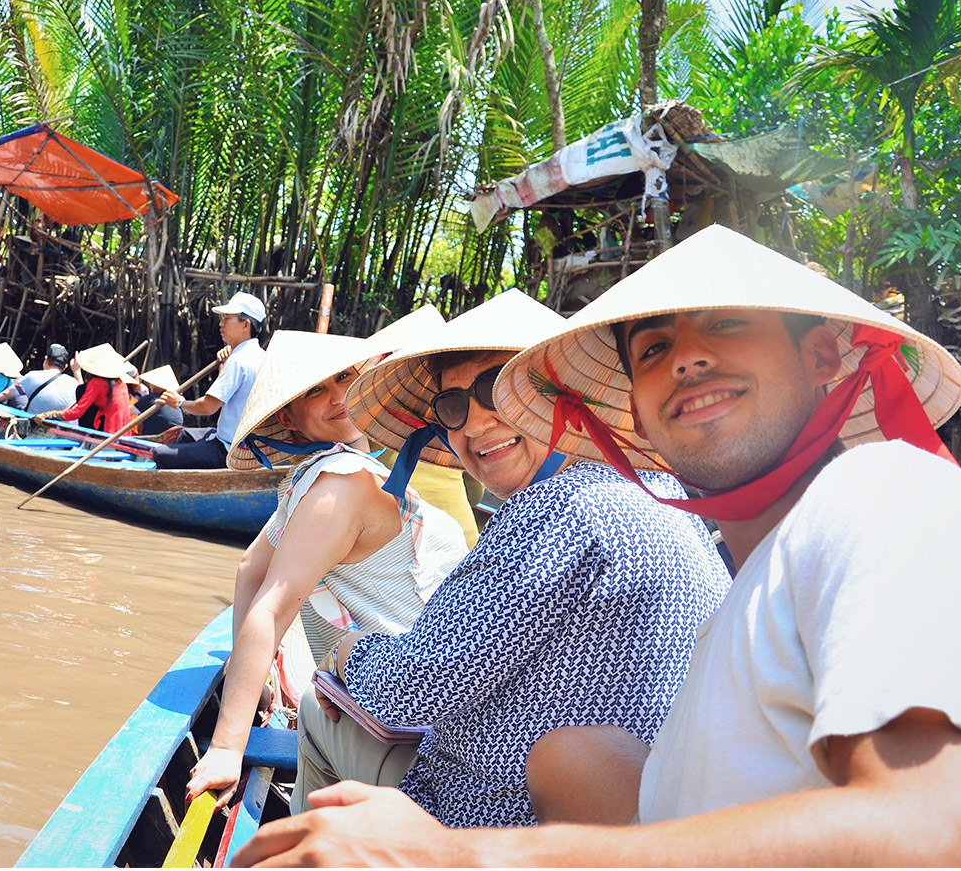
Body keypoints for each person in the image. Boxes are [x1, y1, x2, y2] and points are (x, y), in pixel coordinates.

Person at [236, 225, 961, 867]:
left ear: (825, 355)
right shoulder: (748, 577)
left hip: (481, 826)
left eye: (727, 325)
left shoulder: (889, 498)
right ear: (626, 411)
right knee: (577, 752)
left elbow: (940, 835)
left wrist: (463, 854)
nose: (688, 360)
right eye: (655, 349)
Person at [259, 288, 728, 829]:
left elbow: (411, 689)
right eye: (454, 408)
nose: (476, 426)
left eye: (497, 391)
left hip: (498, 815)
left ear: (562, 398)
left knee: (320, 707)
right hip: (630, 805)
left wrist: (350, 652)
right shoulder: (659, 488)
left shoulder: (557, 509)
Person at [184, 330, 469, 810]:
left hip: (417, 714)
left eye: (344, 379)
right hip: (416, 728)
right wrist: (228, 744)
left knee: (319, 701)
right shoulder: (337, 483)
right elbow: (268, 601)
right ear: (286, 419)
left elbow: (250, 569)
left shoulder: (324, 478)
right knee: (316, 702)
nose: (337, 396)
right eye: (315, 390)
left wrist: (250, 673)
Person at [363, 304, 481, 547]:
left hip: (404, 546)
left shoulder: (373, 418)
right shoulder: (461, 415)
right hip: (464, 540)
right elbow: (477, 492)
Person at [153, 291, 266, 469]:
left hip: (228, 450)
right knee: (182, 436)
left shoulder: (239, 360)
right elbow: (224, 391)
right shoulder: (258, 356)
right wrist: (224, 362)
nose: (221, 324)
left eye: (227, 318)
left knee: (160, 454)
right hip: (236, 442)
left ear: (246, 324)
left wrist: (180, 403)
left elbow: (208, 407)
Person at [34, 343, 134, 433]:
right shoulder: (121, 383)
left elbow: (77, 412)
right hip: (124, 431)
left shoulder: (97, 383)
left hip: (108, 431)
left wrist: (50, 415)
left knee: (81, 390)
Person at [0, 343, 80, 415]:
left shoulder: (33, 376)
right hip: (61, 431)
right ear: (65, 367)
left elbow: (6, 394)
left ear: (46, 360)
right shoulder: (73, 383)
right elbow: (82, 396)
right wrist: (77, 371)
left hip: (33, 427)